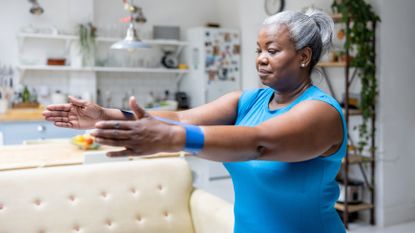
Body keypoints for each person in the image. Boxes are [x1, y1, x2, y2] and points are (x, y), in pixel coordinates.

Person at [44, 9, 346, 233]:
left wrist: (175, 139)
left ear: (304, 56)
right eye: (258, 50)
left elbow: (259, 143)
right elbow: (179, 117)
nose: (261, 59)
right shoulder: (248, 100)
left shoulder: (320, 112)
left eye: (272, 50)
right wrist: (104, 114)